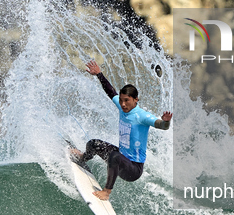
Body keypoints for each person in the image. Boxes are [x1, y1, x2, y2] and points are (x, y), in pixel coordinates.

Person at [70, 60, 172, 201]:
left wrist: (166, 121)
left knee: (114, 157)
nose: (123, 104)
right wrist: (99, 74)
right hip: (122, 157)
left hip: (133, 169)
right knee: (93, 144)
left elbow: (161, 125)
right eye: (122, 100)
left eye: (127, 101)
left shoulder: (142, 116)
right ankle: (83, 157)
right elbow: (110, 91)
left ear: (136, 100)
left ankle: (106, 192)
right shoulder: (122, 105)